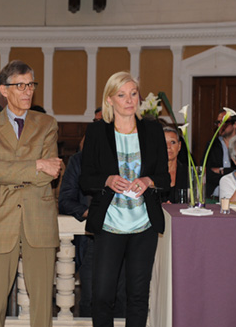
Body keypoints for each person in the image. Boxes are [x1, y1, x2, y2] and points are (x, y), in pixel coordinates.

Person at [0, 60, 62, 327]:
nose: (27, 91)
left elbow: (52, 171)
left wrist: (18, 169)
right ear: (4, 90)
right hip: (0, 219)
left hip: (40, 218)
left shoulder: (47, 123)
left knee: (43, 305)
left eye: (30, 85)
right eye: (20, 85)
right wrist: (36, 164)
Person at [79, 72, 169, 327]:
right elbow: (85, 180)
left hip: (145, 225)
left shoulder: (152, 129)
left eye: (133, 93)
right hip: (109, 224)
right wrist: (107, 180)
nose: (129, 100)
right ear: (110, 100)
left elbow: (165, 177)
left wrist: (148, 181)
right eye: (122, 94)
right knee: (103, 295)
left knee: (138, 295)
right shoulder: (97, 131)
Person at [58, 135, 126, 318]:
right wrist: (93, 214)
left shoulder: (130, 159)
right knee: (91, 300)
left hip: (126, 238)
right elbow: (65, 200)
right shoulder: (79, 161)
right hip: (93, 240)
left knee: (123, 300)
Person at [204, 109, 236, 198]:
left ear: (235, 124)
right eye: (218, 122)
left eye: (224, 122)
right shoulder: (212, 144)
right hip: (214, 195)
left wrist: (221, 171)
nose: (220, 125)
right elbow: (206, 172)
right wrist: (230, 174)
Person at [161, 126, 188, 203]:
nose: (168, 146)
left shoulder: (188, 173)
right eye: (164, 142)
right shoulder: (150, 173)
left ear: (179, 146)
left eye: (173, 142)